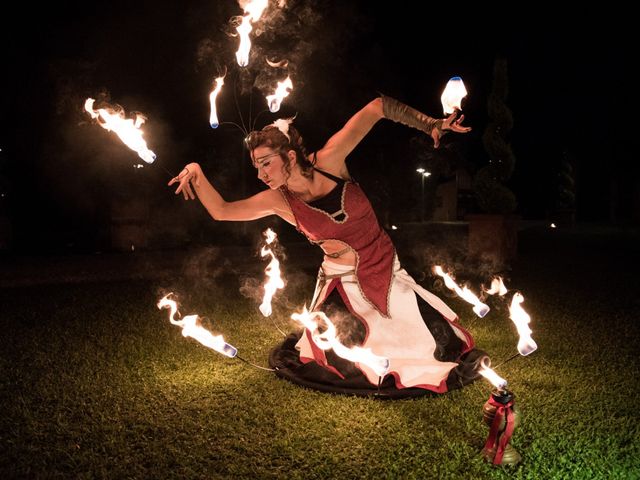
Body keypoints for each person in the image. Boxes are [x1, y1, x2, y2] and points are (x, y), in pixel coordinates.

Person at [169, 95, 486, 398]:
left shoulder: (330, 161)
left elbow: (377, 108)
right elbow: (222, 211)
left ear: (290, 157)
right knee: (344, 357)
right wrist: (196, 171)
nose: (261, 174)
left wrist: (430, 122)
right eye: (256, 166)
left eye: (266, 164)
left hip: (383, 266)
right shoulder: (278, 200)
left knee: (424, 347)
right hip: (339, 282)